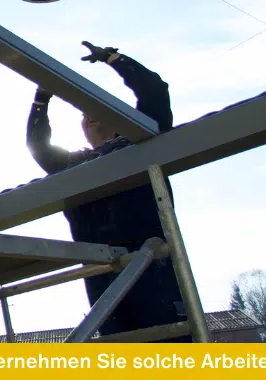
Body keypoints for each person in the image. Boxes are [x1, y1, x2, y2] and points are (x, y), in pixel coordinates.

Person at [26, 41, 190, 342]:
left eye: (97, 108)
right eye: (83, 112)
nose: (89, 115)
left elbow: (154, 92)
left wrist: (115, 59)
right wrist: (42, 98)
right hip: (102, 273)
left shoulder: (141, 140)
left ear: (118, 118)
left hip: (153, 267)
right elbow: (38, 146)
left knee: (168, 345)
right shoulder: (73, 164)